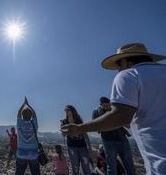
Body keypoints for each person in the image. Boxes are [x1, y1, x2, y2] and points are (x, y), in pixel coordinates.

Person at [61, 43, 166, 174]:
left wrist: (79, 128)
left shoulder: (129, 75)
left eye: (118, 66)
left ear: (124, 61)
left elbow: (121, 116)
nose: (118, 71)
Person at [92, 97, 135, 175]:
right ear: (100, 104)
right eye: (104, 105)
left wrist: (116, 114)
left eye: (108, 105)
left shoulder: (115, 111)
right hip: (108, 142)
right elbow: (95, 127)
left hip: (122, 140)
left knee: (130, 166)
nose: (106, 107)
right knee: (111, 167)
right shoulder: (96, 112)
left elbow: (127, 125)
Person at [61, 105, 92, 175]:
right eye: (65, 110)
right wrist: (63, 132)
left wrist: (89, 146)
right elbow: (63, 134)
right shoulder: (64, 121)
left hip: (82, 146)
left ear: (72, 111)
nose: (66, 111)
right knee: (75, 167)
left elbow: (85, 134)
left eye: (68, 110)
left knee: (86, 167)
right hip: (72, 147)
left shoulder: (79, 120)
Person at [15, 97, 40, 175]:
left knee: (19, 173)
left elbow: (18, 113)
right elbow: (35, 115)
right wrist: (29, 105)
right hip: (33, 154)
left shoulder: (20, 123)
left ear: (22, 116)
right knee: (35, 172)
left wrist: (24, 104)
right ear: (31, 116)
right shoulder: (34, 124)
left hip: (21, 154)